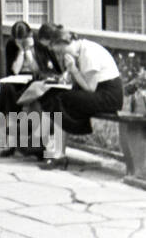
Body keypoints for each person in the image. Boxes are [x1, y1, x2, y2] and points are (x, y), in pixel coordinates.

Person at [32, 24, 124, 170]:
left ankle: (59, 152)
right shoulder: (80, 51)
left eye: (62, 51)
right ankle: (57, 154)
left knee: (59, 100)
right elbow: (84, 85)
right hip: (99, 93)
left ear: (66, 43)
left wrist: (73, 70)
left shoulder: (88, 52)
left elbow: (90, 88)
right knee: (54, 98)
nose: (63, 56)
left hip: (109, 96)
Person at [0, 21, 60, 157]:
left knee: (17, 94)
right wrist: (21, 52)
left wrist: (28, 51)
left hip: (36, 80)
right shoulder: (11, 46)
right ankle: (13, 137)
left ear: (30, 35)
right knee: (7, 89)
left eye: (24, 40)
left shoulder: (39, 45)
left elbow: (38, 70)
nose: (21, 42)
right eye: (19, 41)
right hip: (18, 80)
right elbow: (14, 70)